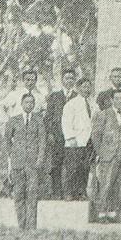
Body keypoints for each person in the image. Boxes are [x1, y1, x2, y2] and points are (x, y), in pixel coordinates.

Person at [5, 93, 46, 230]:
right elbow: (7, 141)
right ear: (21, 104)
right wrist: (13, 155)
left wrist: (39, 159)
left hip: (32, 164)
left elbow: (42, 141)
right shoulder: (13, 120)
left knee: (32, 194)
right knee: (18, 194)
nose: (29, 105)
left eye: (31, 102)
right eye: (27, 102)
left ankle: (31, 226)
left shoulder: (38, 120)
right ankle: (21, 226)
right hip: (18, 163)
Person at [91, 89, 121, 222]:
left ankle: (113, 213)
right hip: (108, 155)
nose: (120, 101)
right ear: (112, 100)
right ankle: (102, 213)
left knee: (119, 186)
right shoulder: (104, 114)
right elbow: (96, 135)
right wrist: (101, 153)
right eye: (117, 98)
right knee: (106, 185)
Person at [44, 67, 77, 200]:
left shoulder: (77, 96)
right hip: (57, 135)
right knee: (56, 164)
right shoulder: (55, 96)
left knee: (72, 164)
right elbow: (48, 117)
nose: (69, 80)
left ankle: (69, 192)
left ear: (74, 80)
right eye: (66, 78)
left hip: (72, 136)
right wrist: (50, 133)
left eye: (71, 78)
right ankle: (56, 191)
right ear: (62, 80)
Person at [61, 76, 94, 200]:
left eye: (89, 86)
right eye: (84, 86)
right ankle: (69, 192)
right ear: (78, 88)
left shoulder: (92, 103)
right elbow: (66, 122)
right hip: (75, 141)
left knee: (84, 168)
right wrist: (70, 137)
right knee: (72, 169)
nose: (87, 89)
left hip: (87, 141)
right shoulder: (72, 104)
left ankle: (81, 192)